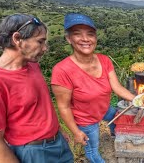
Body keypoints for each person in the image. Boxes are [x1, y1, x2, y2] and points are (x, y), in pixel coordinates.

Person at [51, 13, 135, 163]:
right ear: (68, 39)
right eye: (77, 34)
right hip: (86, 120)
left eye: (90, 34)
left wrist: (137, 99)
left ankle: (115, 135)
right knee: (93, 150)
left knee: (118, 119)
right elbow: (63, 107)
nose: (85, 39)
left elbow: (117, 87)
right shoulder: (62, 71)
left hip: (103, 108)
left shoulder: (104, 60)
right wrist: (76, 132)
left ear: (95, 38)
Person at [0, 14, 73, 163]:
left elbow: (43, 103)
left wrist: (58, 131)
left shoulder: (32, 65)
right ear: (17, 39)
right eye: (40, 41)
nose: (45, 48)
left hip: (57, 143)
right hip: (33, 152)